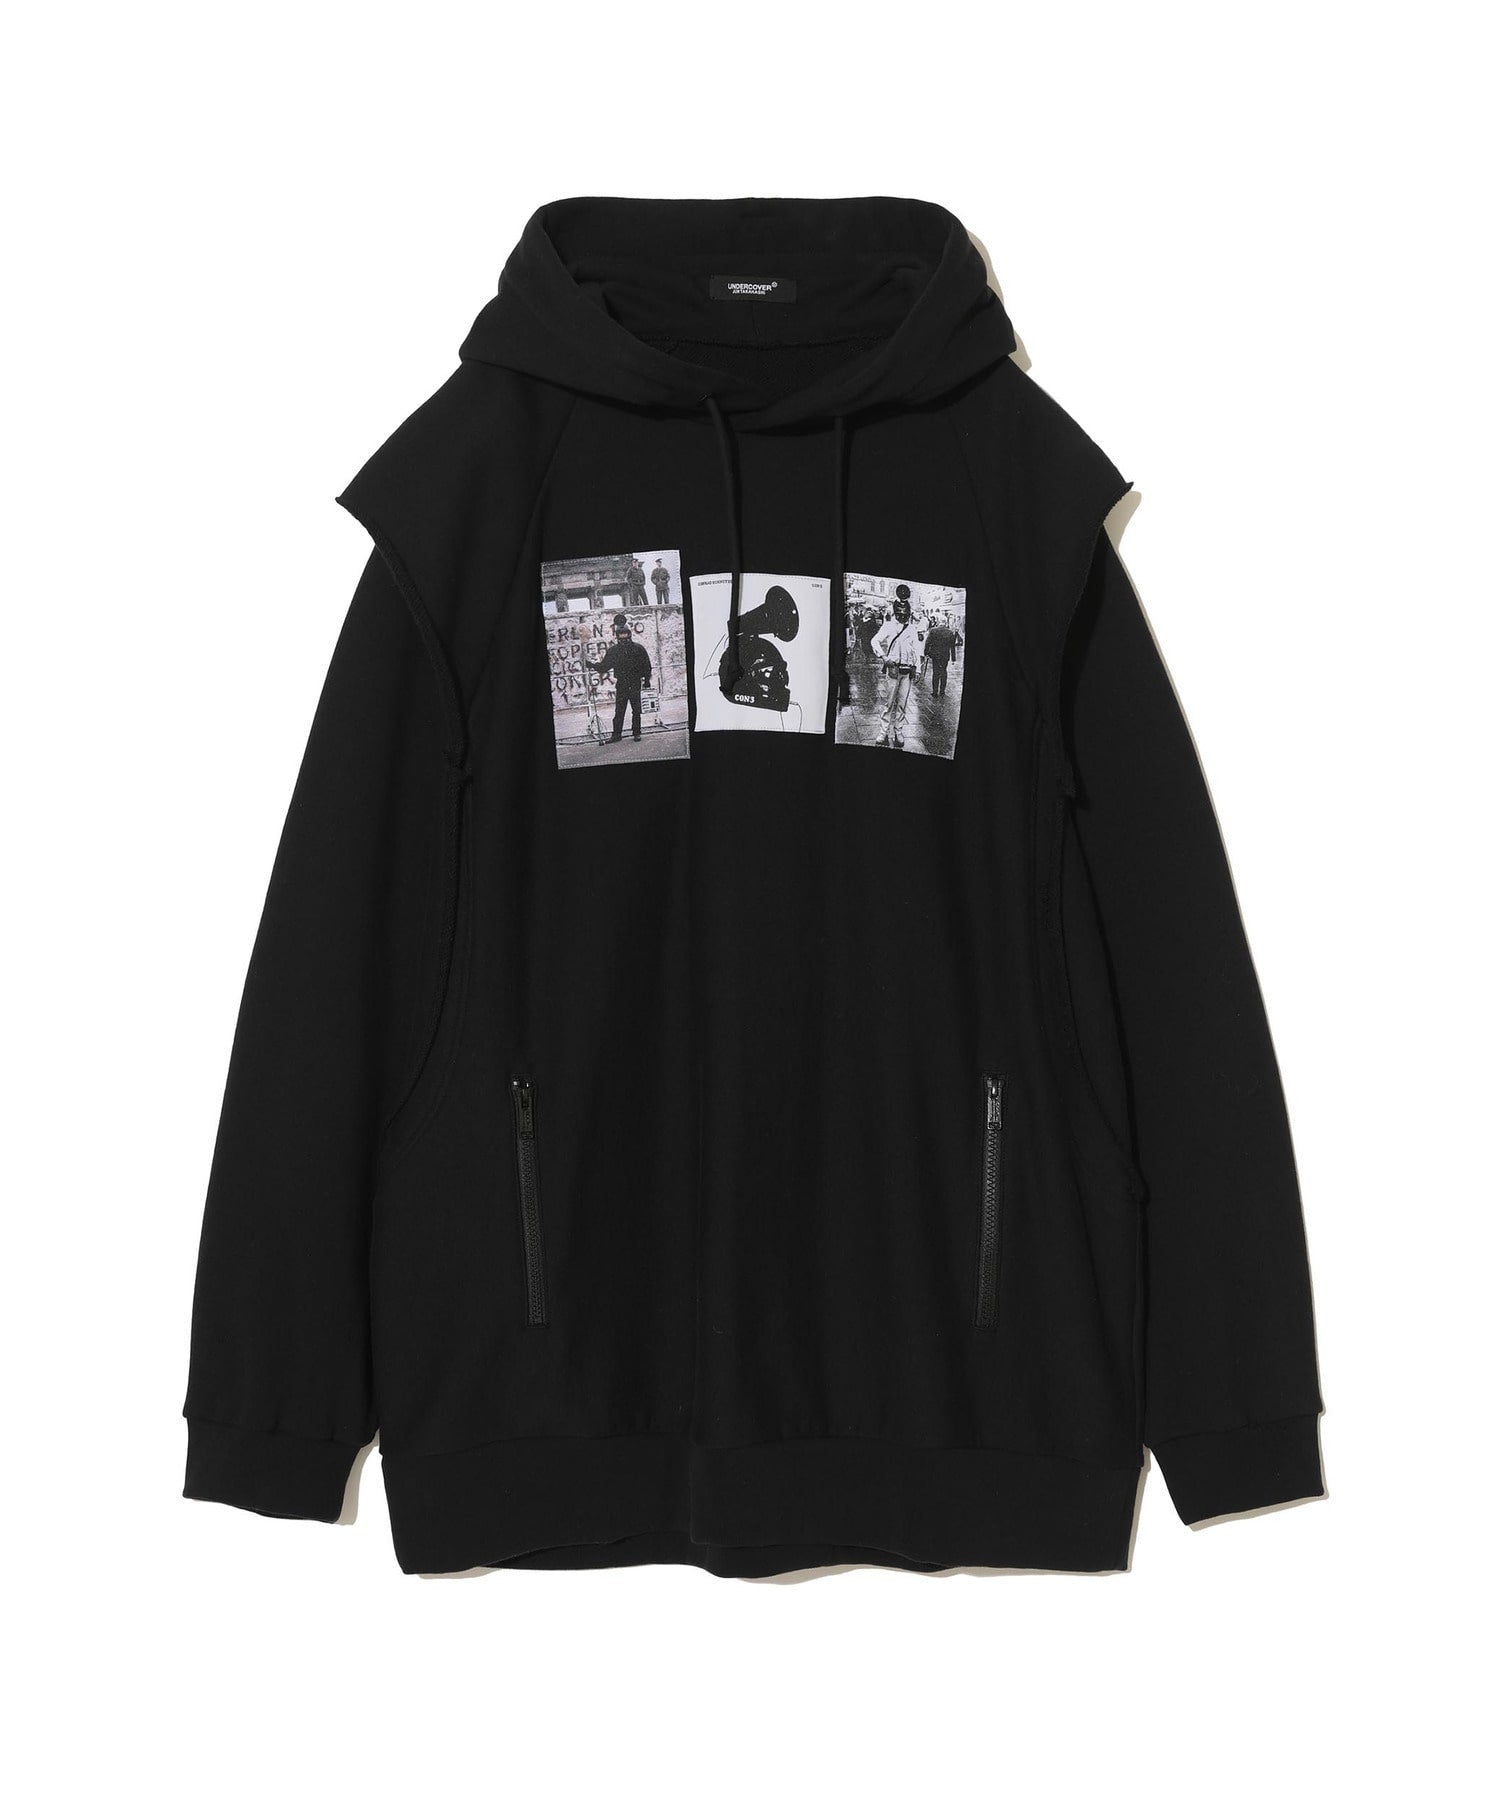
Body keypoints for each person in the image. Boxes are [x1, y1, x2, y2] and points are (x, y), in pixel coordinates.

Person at [585, 615, 653, 742]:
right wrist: (592, 665)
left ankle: (636, 732)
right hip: (622, 684)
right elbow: (604, 667)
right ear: (617, 636)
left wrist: (647, 680)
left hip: (635, 683)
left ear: (629, 634)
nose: (623, 637)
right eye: (621, 634)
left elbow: (646, 665)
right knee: (619, 711)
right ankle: (616, 735)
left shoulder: (638, 648)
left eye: (625, 634)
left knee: (636, 710)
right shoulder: (614, 651)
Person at [871, 585, 923, 748]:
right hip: (892, 670)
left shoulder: (912, 628)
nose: (902, 617)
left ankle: (898, 731)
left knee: (902, 703)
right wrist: (884, 657)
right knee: (889, 703)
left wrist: (918, 669)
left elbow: (917, 649)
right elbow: (874, 641)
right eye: (899, 614)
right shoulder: (888, 626)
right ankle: (883, 732)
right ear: (895, 612)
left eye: (905, 614)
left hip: (907, 672)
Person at [925, 616, 957, 697]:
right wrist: (953, 658)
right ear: (945, 623)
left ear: (939, 622)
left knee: (935, 672)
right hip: (945, 655)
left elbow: (927, 643)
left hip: (935, 655)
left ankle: (935, 692)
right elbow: (952, 646)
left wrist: (926, 653)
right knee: (943, 672)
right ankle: (942, 691)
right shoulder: (950, 632)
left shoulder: (933, 630)